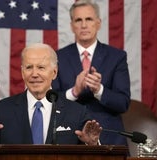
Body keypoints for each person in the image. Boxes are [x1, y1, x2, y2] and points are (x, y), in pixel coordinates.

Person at [0, 43, 102, 160]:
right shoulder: (2, 110)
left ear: (54, 72)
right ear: (22, 73)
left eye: (41, 67)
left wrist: (93, 145)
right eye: (29, 67)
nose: (34, 74)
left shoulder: (77, 113)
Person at [51, 0, 130, 146]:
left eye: (89, 19)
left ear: (98, 23)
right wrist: (74, 92)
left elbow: (123, 103)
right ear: (72, 26)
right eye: (78, 20)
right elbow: (50, 102)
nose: (84, 25)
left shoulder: (117, 57)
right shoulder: (57, 58)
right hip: (69, 136)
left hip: (107, 138)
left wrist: (99, 90)